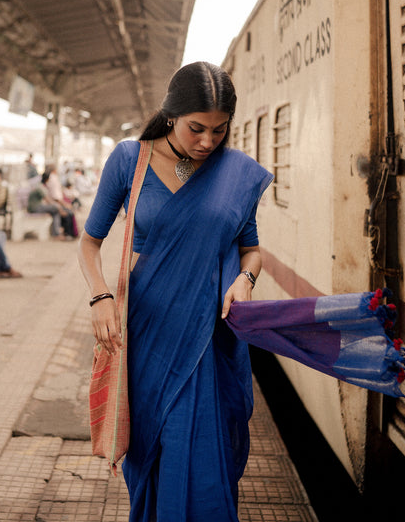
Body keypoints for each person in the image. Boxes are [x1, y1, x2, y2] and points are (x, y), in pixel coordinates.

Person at [78, 61, 273, 522]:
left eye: (220, 130)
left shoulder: (236, 173)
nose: (208, 141)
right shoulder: (130, 159)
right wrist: (100, 296)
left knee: (205, 455)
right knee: (153, 456)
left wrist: (245, 280)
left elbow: (252, 251)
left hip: (211, 338)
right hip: (147, 336)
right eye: (196, 129)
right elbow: (89, 244)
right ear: (171, 115)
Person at [42, 165, 78, 238]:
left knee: (69, 212)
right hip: (55, 203)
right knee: (68, 213)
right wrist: (64, 205)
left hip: (55, 202)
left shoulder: (52, 180)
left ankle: (69, 233)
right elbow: (55, 197)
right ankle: (68, 234)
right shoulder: (53, 179)